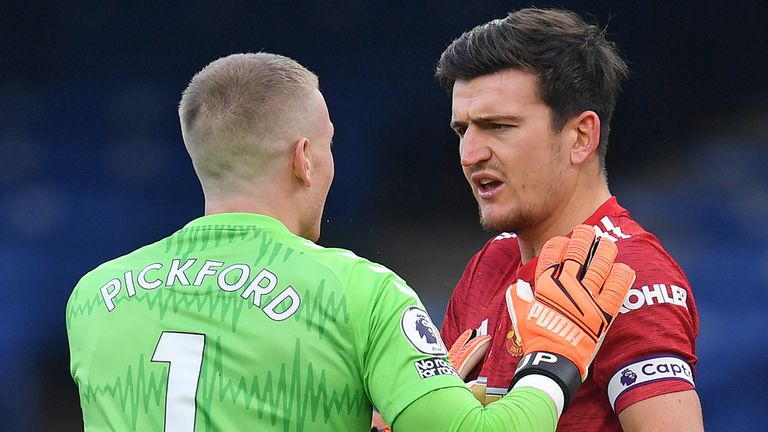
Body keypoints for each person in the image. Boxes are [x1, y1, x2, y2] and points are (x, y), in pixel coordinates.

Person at [66, 52, 634, 431]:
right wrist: (555, 360)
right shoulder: (358, 292)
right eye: (329, 144)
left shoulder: (92, 298)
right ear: (304, 158)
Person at [434, 7, 703, 431]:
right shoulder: (488, 266)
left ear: (581, 137)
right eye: (462, 131)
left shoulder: (630, 276)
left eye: (498, 126)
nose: (470, 155)